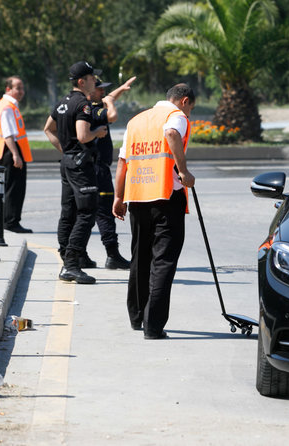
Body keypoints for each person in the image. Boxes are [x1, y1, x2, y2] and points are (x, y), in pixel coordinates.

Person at [112, 83, 196, 340]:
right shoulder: (175, 117)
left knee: (140, 257)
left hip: (137, 196)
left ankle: (137, 317)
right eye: (190, 108)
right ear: (183, 101)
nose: (189, 113)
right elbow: (171, 134)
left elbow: (123, 162)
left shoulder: (136, 121)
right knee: (163, 261)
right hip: (165, 196)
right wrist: (183, 171)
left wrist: (118, 196)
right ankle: (153, 325)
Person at [43, 61, 107, 284]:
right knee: (88, 211)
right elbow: (82, 136)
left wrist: (66, 151)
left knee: (68, 212)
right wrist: (97, 131)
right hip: (80, 167)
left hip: (68, 163)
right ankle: (71, 263)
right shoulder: (83, 104)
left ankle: (68, 258)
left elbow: (47, 129)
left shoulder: (63, 102)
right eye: (92, 78)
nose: (95, 81)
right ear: (82, 82)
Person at [81, 75, 137, 270]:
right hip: (98, 169)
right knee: (104, 212)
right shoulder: (95, 111)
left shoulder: (87, 108)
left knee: (87, 212)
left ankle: (79, 254)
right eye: (99, 88)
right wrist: (111, 102)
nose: (104, 92)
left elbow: (107, 98)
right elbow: (111, 113)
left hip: (92, 168)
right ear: (89, 89)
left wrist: (120, 89)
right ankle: (112, 255)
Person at [0, 76, 33, 233]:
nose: (21, 91)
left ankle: (8, 220)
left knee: (10, 188)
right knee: (15, 188)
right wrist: (16, 155)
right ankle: (11, 222)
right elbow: (8, 135)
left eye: (22, 88)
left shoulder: (6, 105)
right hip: (9, 152)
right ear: (8, 89)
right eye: (17, 88)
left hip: (4, 152)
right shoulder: (7, 107)